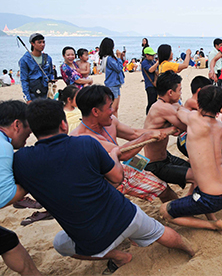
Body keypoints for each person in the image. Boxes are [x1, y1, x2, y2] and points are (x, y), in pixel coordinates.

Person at [13, 99, 194, 274]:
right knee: (159, 232)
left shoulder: (22, 160)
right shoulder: (85, 142)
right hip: (125, 215)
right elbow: (117, 177)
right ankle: (192, 250)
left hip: (91, 237)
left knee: (61, 243)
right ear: (63, 124)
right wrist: (114, 155)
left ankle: (120, 256)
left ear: (31, 129)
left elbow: (17, 191)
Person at [71, 85, 178, 203]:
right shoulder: (81, 138)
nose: (113, 110)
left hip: (123, 166)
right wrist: (146, 137)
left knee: (163, 188)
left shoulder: (110, 121)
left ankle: (177, 212)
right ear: (95, 111)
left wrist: (170, 130)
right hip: (105, 185)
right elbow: (122, 154)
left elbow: (134, 133)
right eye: (110, 106)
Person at [159, 85, 222, 231]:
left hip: (213, 198)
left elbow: (180, 110)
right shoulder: (219, 125)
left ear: (198, 103)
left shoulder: (194, 119)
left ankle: (214, 224)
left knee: (164, 211)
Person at [0, 100, 41, 276]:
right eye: (28, 130)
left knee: (8, 241)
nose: (28, 137)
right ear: (17, 125)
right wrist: (31, 177)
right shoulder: (3, 146)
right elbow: (6, 196)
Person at [144, 71, 196, 193]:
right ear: (170, 92)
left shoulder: (169, 103)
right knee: (197, 176)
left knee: (196, 170)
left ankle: (190, 200)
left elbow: (185, 111)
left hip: (166, 156)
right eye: (180, 90)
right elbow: (186, 126)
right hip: (156, 165)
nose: (181, 93)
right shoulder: (162, 108)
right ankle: (190, 203)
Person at [19, 33, 55, 103]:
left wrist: (52, 80)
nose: (42, 45)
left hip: (46, 93)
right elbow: (24, 80)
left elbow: (51, 73)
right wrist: (28, 99)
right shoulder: (25, 60)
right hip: (33, 93)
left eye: (43, 42)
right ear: (32, 44)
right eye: (39, 42)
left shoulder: (47, 58)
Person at [100, 37, 124, 117]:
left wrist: (120, 57)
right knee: (112, 109)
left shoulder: (108, 58)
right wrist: (118, 57)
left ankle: (116, 125)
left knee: (115, 108)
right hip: (112, 84)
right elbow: (118, 68)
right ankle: (113, 126)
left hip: (115, 84)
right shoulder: (109, 59)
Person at [141, 47, 160, 114]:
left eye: (153, 55)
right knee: (151, 102)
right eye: (151, 55)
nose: (153, 56)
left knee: (156, 101)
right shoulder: (144, 63)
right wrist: (157, 62)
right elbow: (150, 70)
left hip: (156, 84)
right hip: (149, 85)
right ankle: (148, 116)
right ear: (146, 55)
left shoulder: (153, 62)